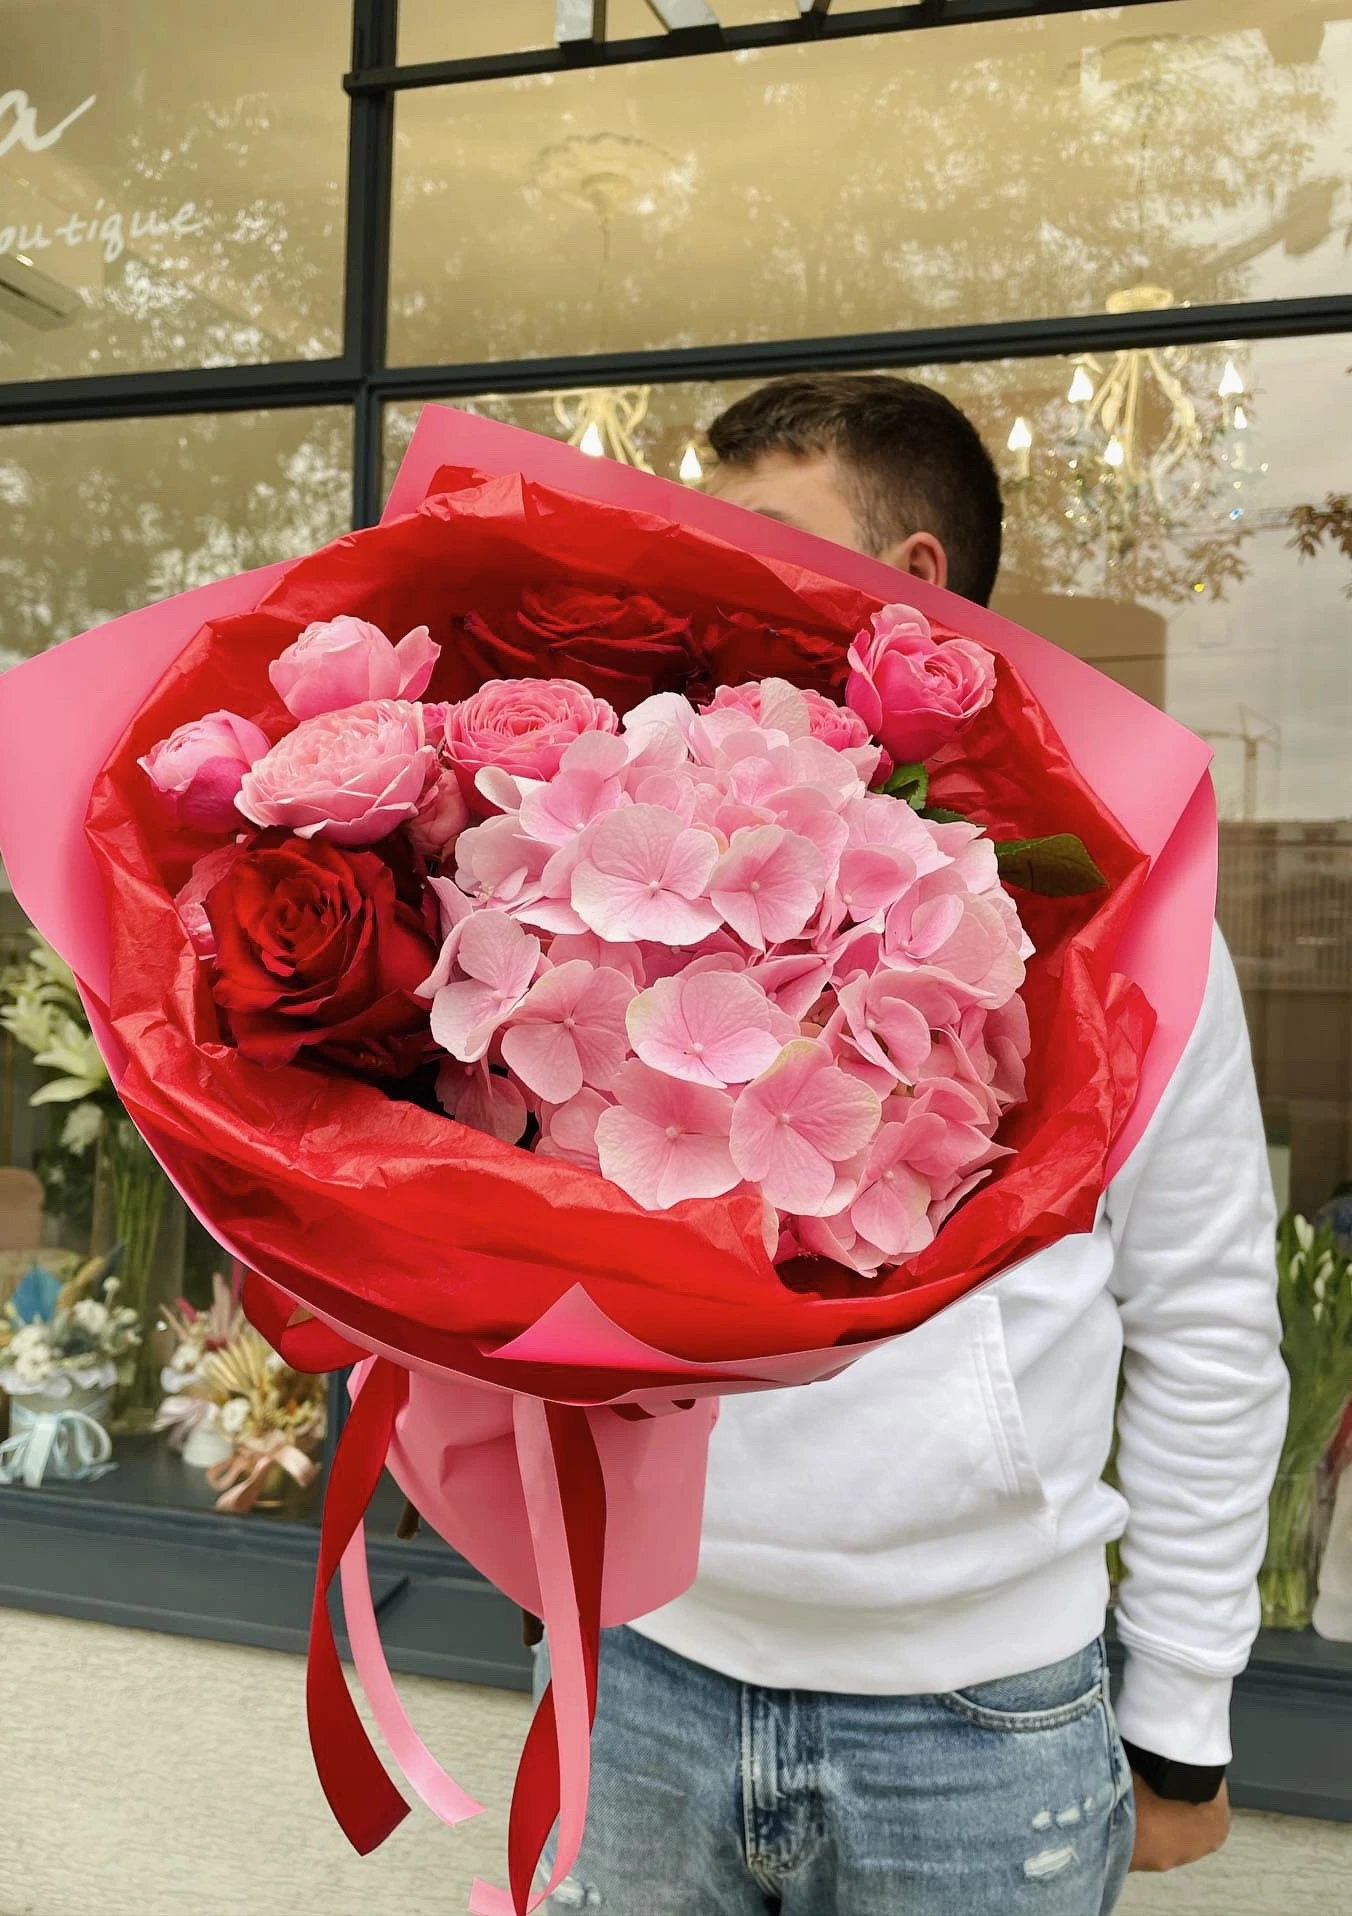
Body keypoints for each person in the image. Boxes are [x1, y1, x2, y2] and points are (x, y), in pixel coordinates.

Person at [535, 374, 1289, 1914]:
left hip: (979, 1720)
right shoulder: (624, 860)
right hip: (648, 1667)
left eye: (746, 540)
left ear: (912, 585)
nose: (698, 579)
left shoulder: (1113, 901)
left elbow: (1208, 1314)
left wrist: (1186, 1718)